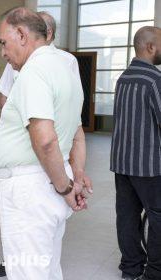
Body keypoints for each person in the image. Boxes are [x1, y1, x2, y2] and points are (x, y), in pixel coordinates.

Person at [0, 7, 92, 280]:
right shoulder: (66, 71)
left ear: (22, 34)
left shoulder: (34, 71)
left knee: (28, 271)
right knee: (46, 268)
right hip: (49, 181)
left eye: (4, 42)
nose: (3, 52)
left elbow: (45, 140)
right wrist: (72, 178)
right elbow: (76, 134)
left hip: (31, 187)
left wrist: (65, 186)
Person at [110, 26, 161, 280]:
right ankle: (155, 272)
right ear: (150, 47)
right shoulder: (154, 80)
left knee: (127, 216)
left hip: (122, 163)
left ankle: (131, 268)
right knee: (158, 217)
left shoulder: (123, 79)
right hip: (150, 166)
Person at [0, 11, 82, 109]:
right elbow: (3, 99)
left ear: (48, 34)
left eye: (35, 31)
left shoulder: (67, 60)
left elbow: (74, 103)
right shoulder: (16, 60)